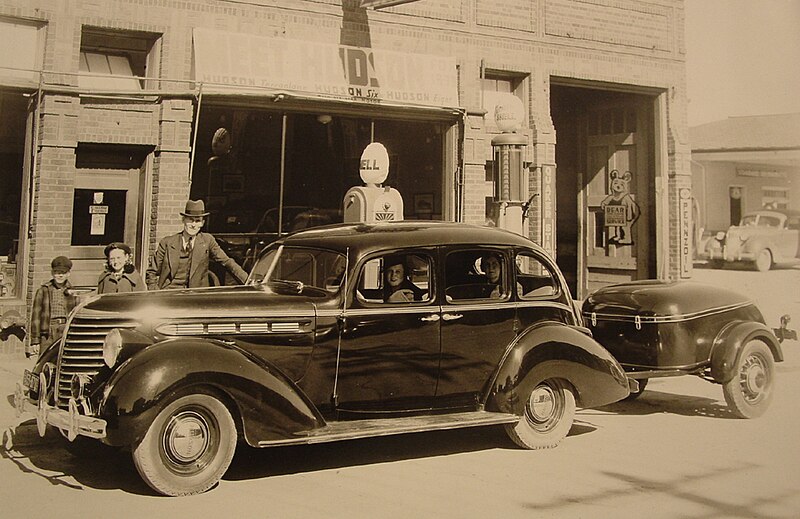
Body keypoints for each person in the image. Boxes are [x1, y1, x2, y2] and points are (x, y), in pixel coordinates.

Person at [146, 199, 248, 290]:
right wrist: (155, 293)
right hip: (170, 293)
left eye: (197, 221)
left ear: (202, 223)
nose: (193, 225)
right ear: (183, 220)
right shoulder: (167, 243)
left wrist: (247, 280)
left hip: (196, 295)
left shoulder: (207, 240)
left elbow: (227, 262)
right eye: (190, 220)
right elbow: (152, 272)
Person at [27, 255, 77, 358]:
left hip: (65, 329)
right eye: (57, 272)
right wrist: (35, 340)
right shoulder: (43, 290)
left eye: (63, 273)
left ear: (68, 274)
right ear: (52, 273)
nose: (60, 276)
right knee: (45, 359)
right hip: (48, 331)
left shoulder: (72, 292)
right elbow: (36, 317)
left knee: (63, 358)